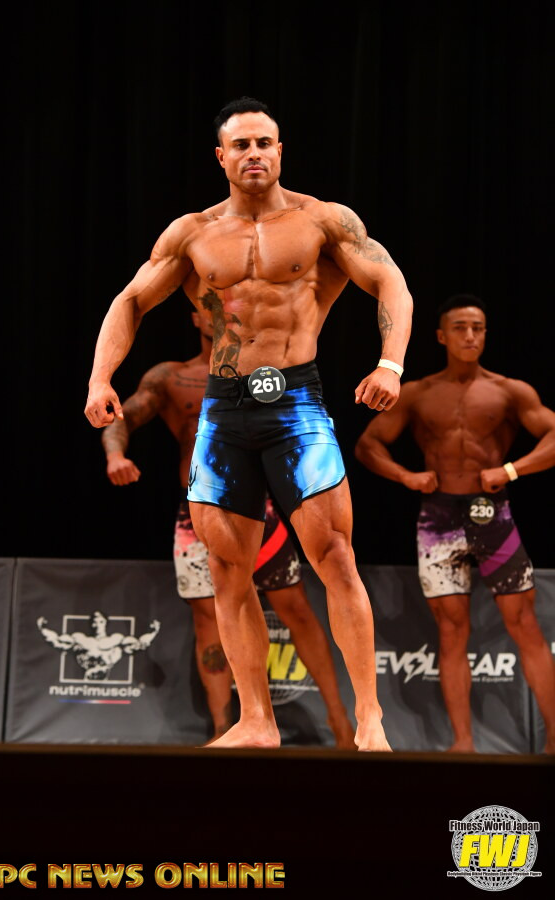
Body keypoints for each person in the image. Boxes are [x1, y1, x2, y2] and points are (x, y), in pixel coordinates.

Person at [85, 96, 413, 749]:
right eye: (241, 145)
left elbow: (392, 284)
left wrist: (391, 364)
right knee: (228, 572)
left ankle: (370, 716)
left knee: (335, 556)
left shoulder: (322, 221)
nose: (254, 154)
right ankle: (256, 720)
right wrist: (100, 378)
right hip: (225, 409)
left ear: (280, 150)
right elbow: (130, 300)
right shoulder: (193, 233)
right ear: (221, 156)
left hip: (295, 404)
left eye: (265, 142)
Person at [101, 309, 356, 745]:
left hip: (262, 511)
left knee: (296, 609)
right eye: (208, 306)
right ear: (194, 316)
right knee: (209, 620)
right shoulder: (171, 377)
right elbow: (123, 416)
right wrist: (115, 456)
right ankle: (224, 728)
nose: (219, 314)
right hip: (200, 513)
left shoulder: (265, 373)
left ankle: (340, 722)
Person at [355, 294, 555, 752]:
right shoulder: (418, 393)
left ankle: (554, 742)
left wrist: (512, 470)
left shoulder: (510, 391)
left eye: (478, 328)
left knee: (525, 625)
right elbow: (368, 445)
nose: (470, 336)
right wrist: (406, 476)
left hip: (493, 515)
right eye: (461, 328)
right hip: (439, 519)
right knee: (450, 632)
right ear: (442, 336)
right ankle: (463, 744)